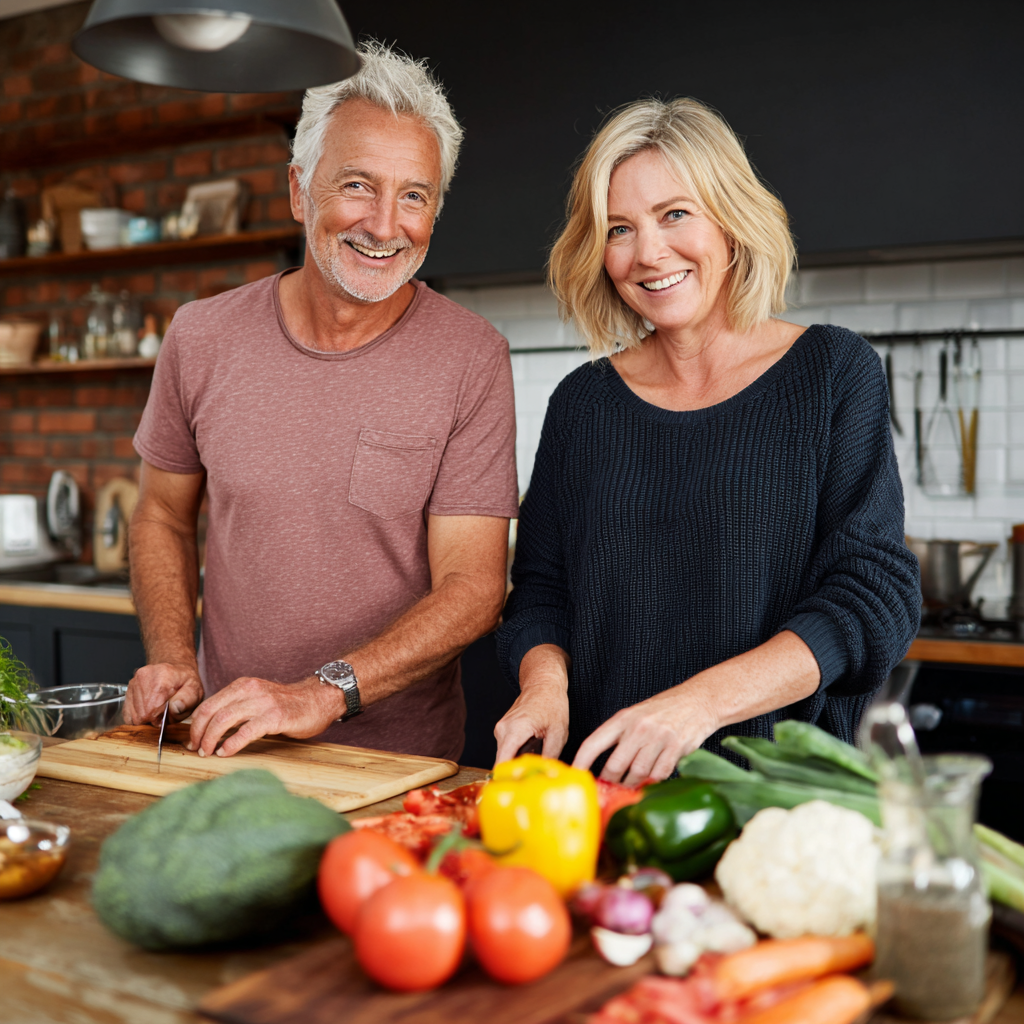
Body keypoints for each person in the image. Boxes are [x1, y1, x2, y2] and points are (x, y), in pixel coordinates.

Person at [494, 98, 919, 785]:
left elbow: (872, 597)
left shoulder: (833, 372)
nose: (648, 252)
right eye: (620, 228)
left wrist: (695, 707)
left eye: (675, 214)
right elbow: (540, 593)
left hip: (781, 799)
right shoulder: (583, 403)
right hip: (607, 793)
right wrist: (544, 685)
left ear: (729, 220)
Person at [122, 43, 519, 762]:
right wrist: (175, 655)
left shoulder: (471, 357)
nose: (386, 224)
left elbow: (474, 586)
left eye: (415, 195)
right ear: (301, 190)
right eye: (359, 186)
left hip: (396, 769)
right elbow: (159, 514)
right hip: (228, 748)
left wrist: (321, 691)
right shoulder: (201, 336)